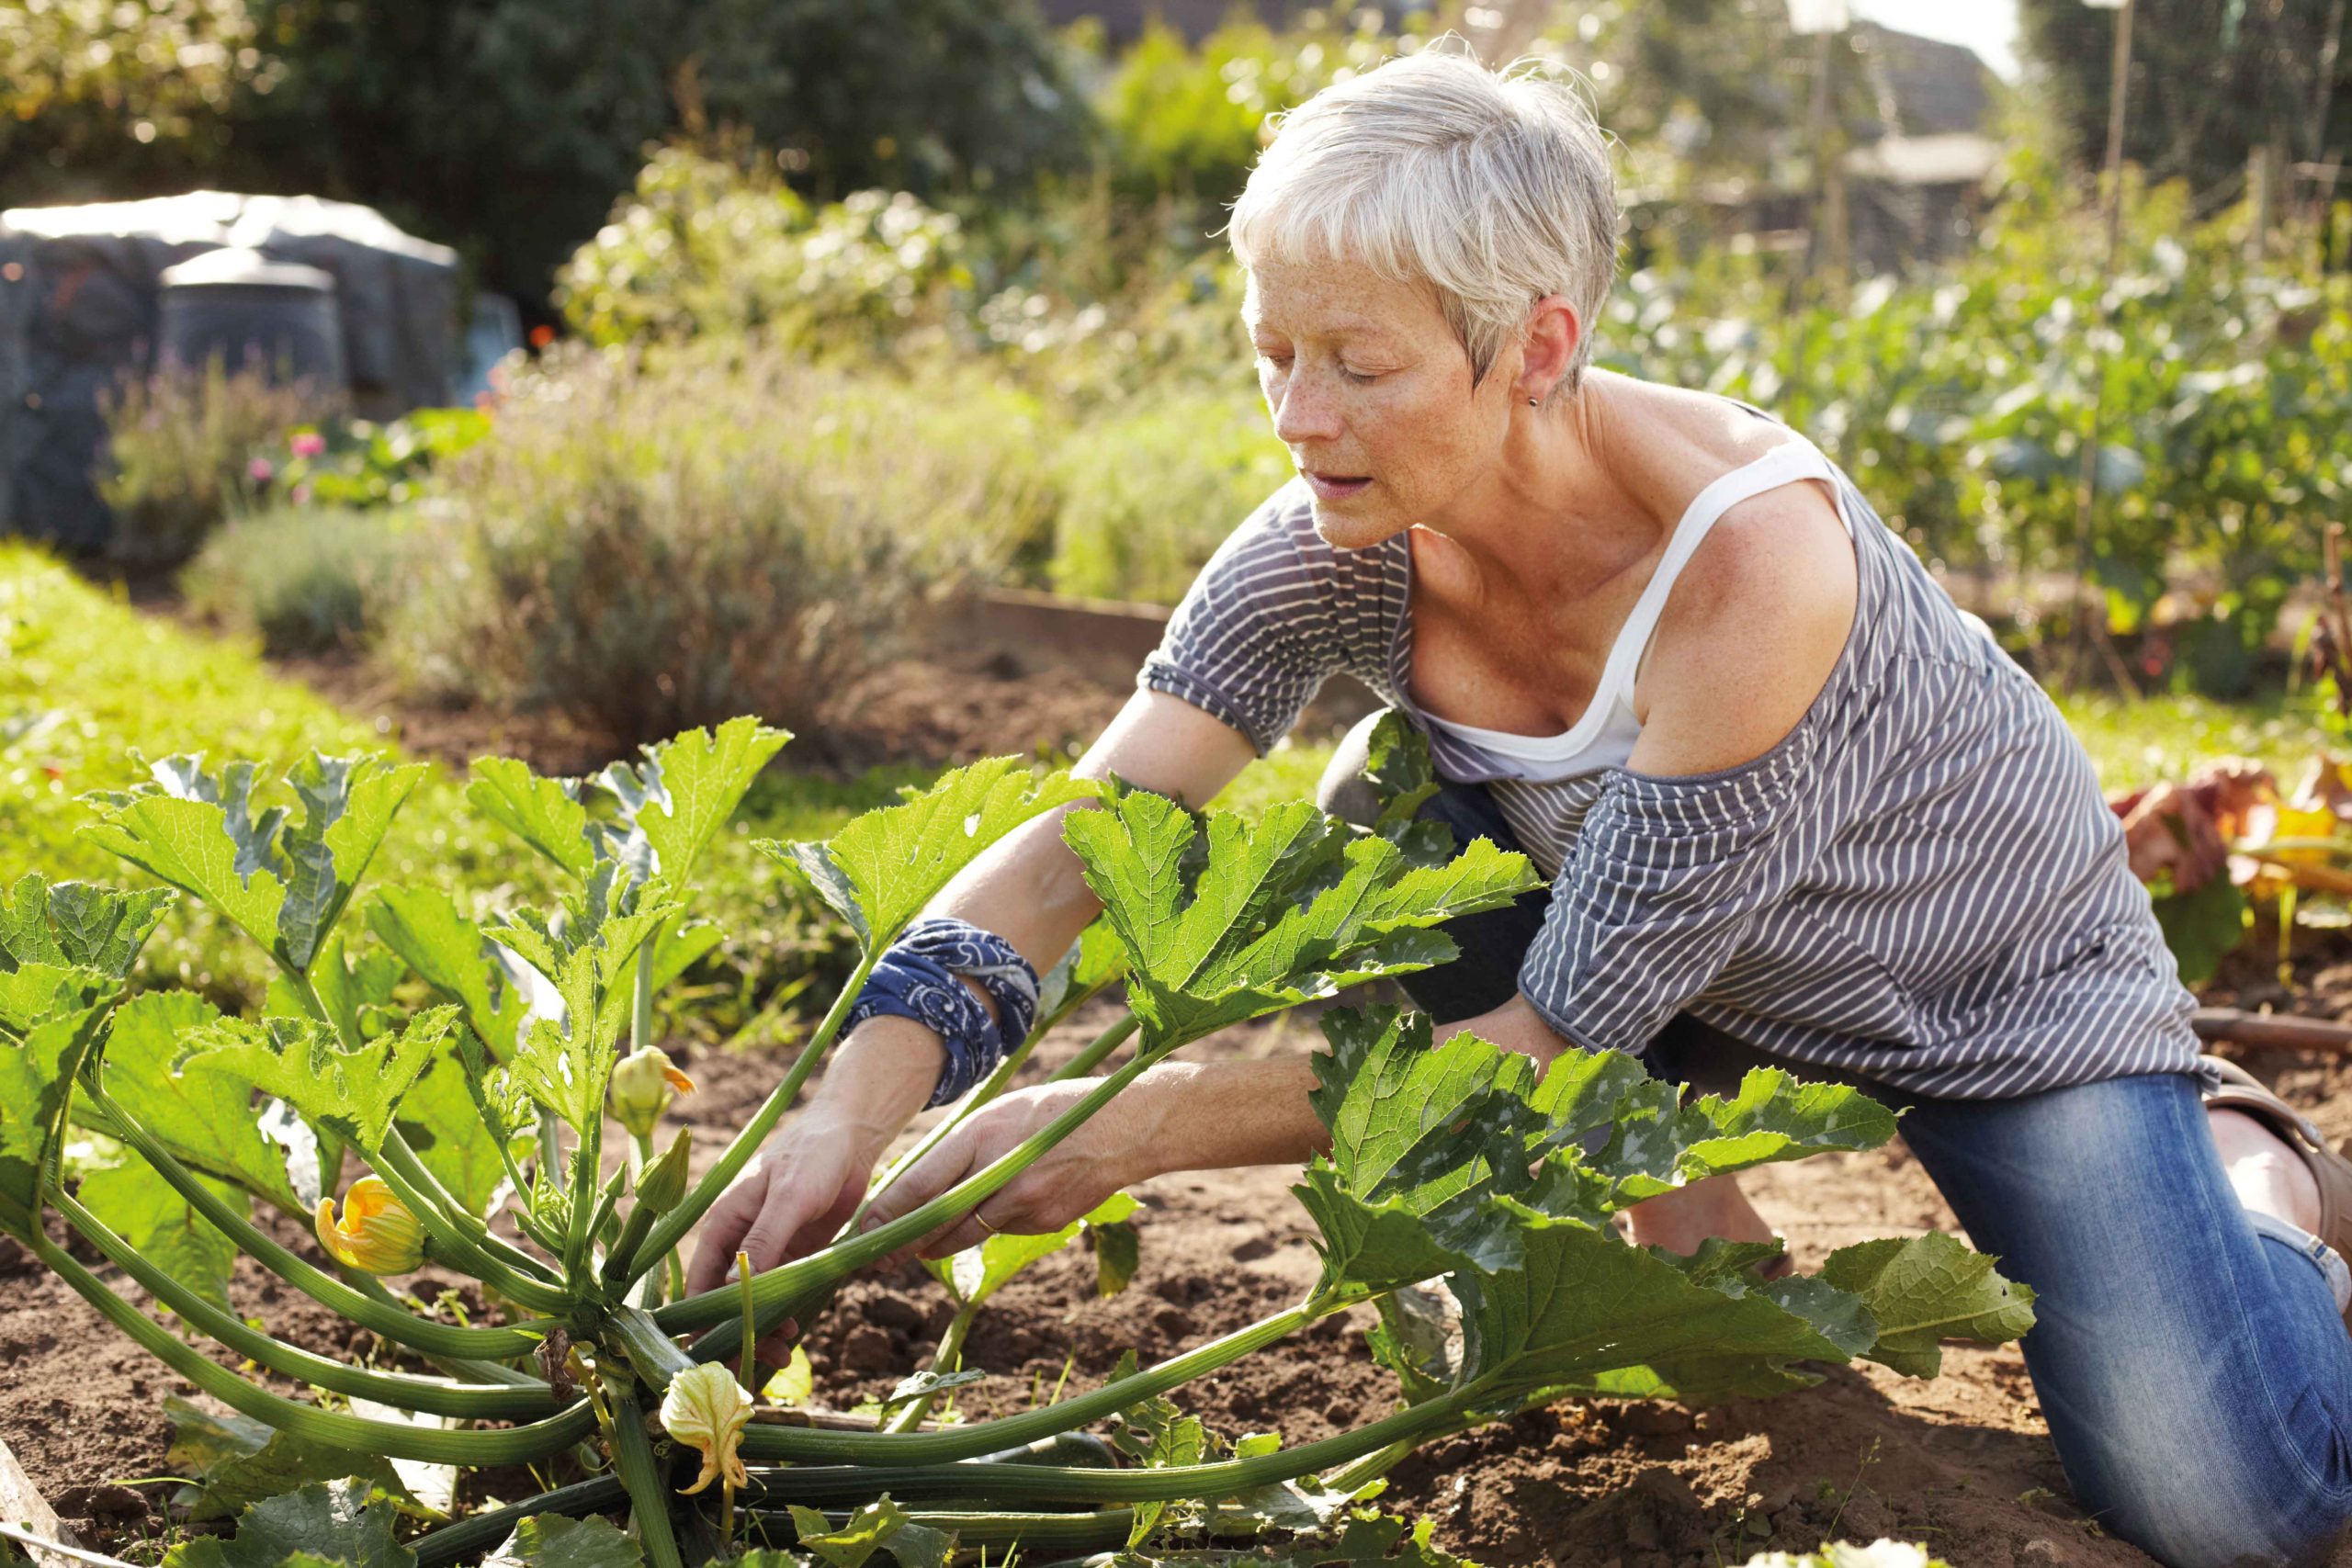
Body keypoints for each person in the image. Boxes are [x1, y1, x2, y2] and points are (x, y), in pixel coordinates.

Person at [687, 46, 2352, 1568]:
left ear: (1539, 342)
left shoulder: (1748, 568)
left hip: (1990, 1005)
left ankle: (2250, 1166)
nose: (1296, 414)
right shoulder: (1327, 547)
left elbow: (1549, 1048)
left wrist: (1130, 1134)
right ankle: (1690, 1223)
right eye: (1271, 350)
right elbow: (1085, 847)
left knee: (2233, 1512)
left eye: (1356, 362)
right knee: (1377, 798)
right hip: (1683, 981)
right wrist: (853, 1104)